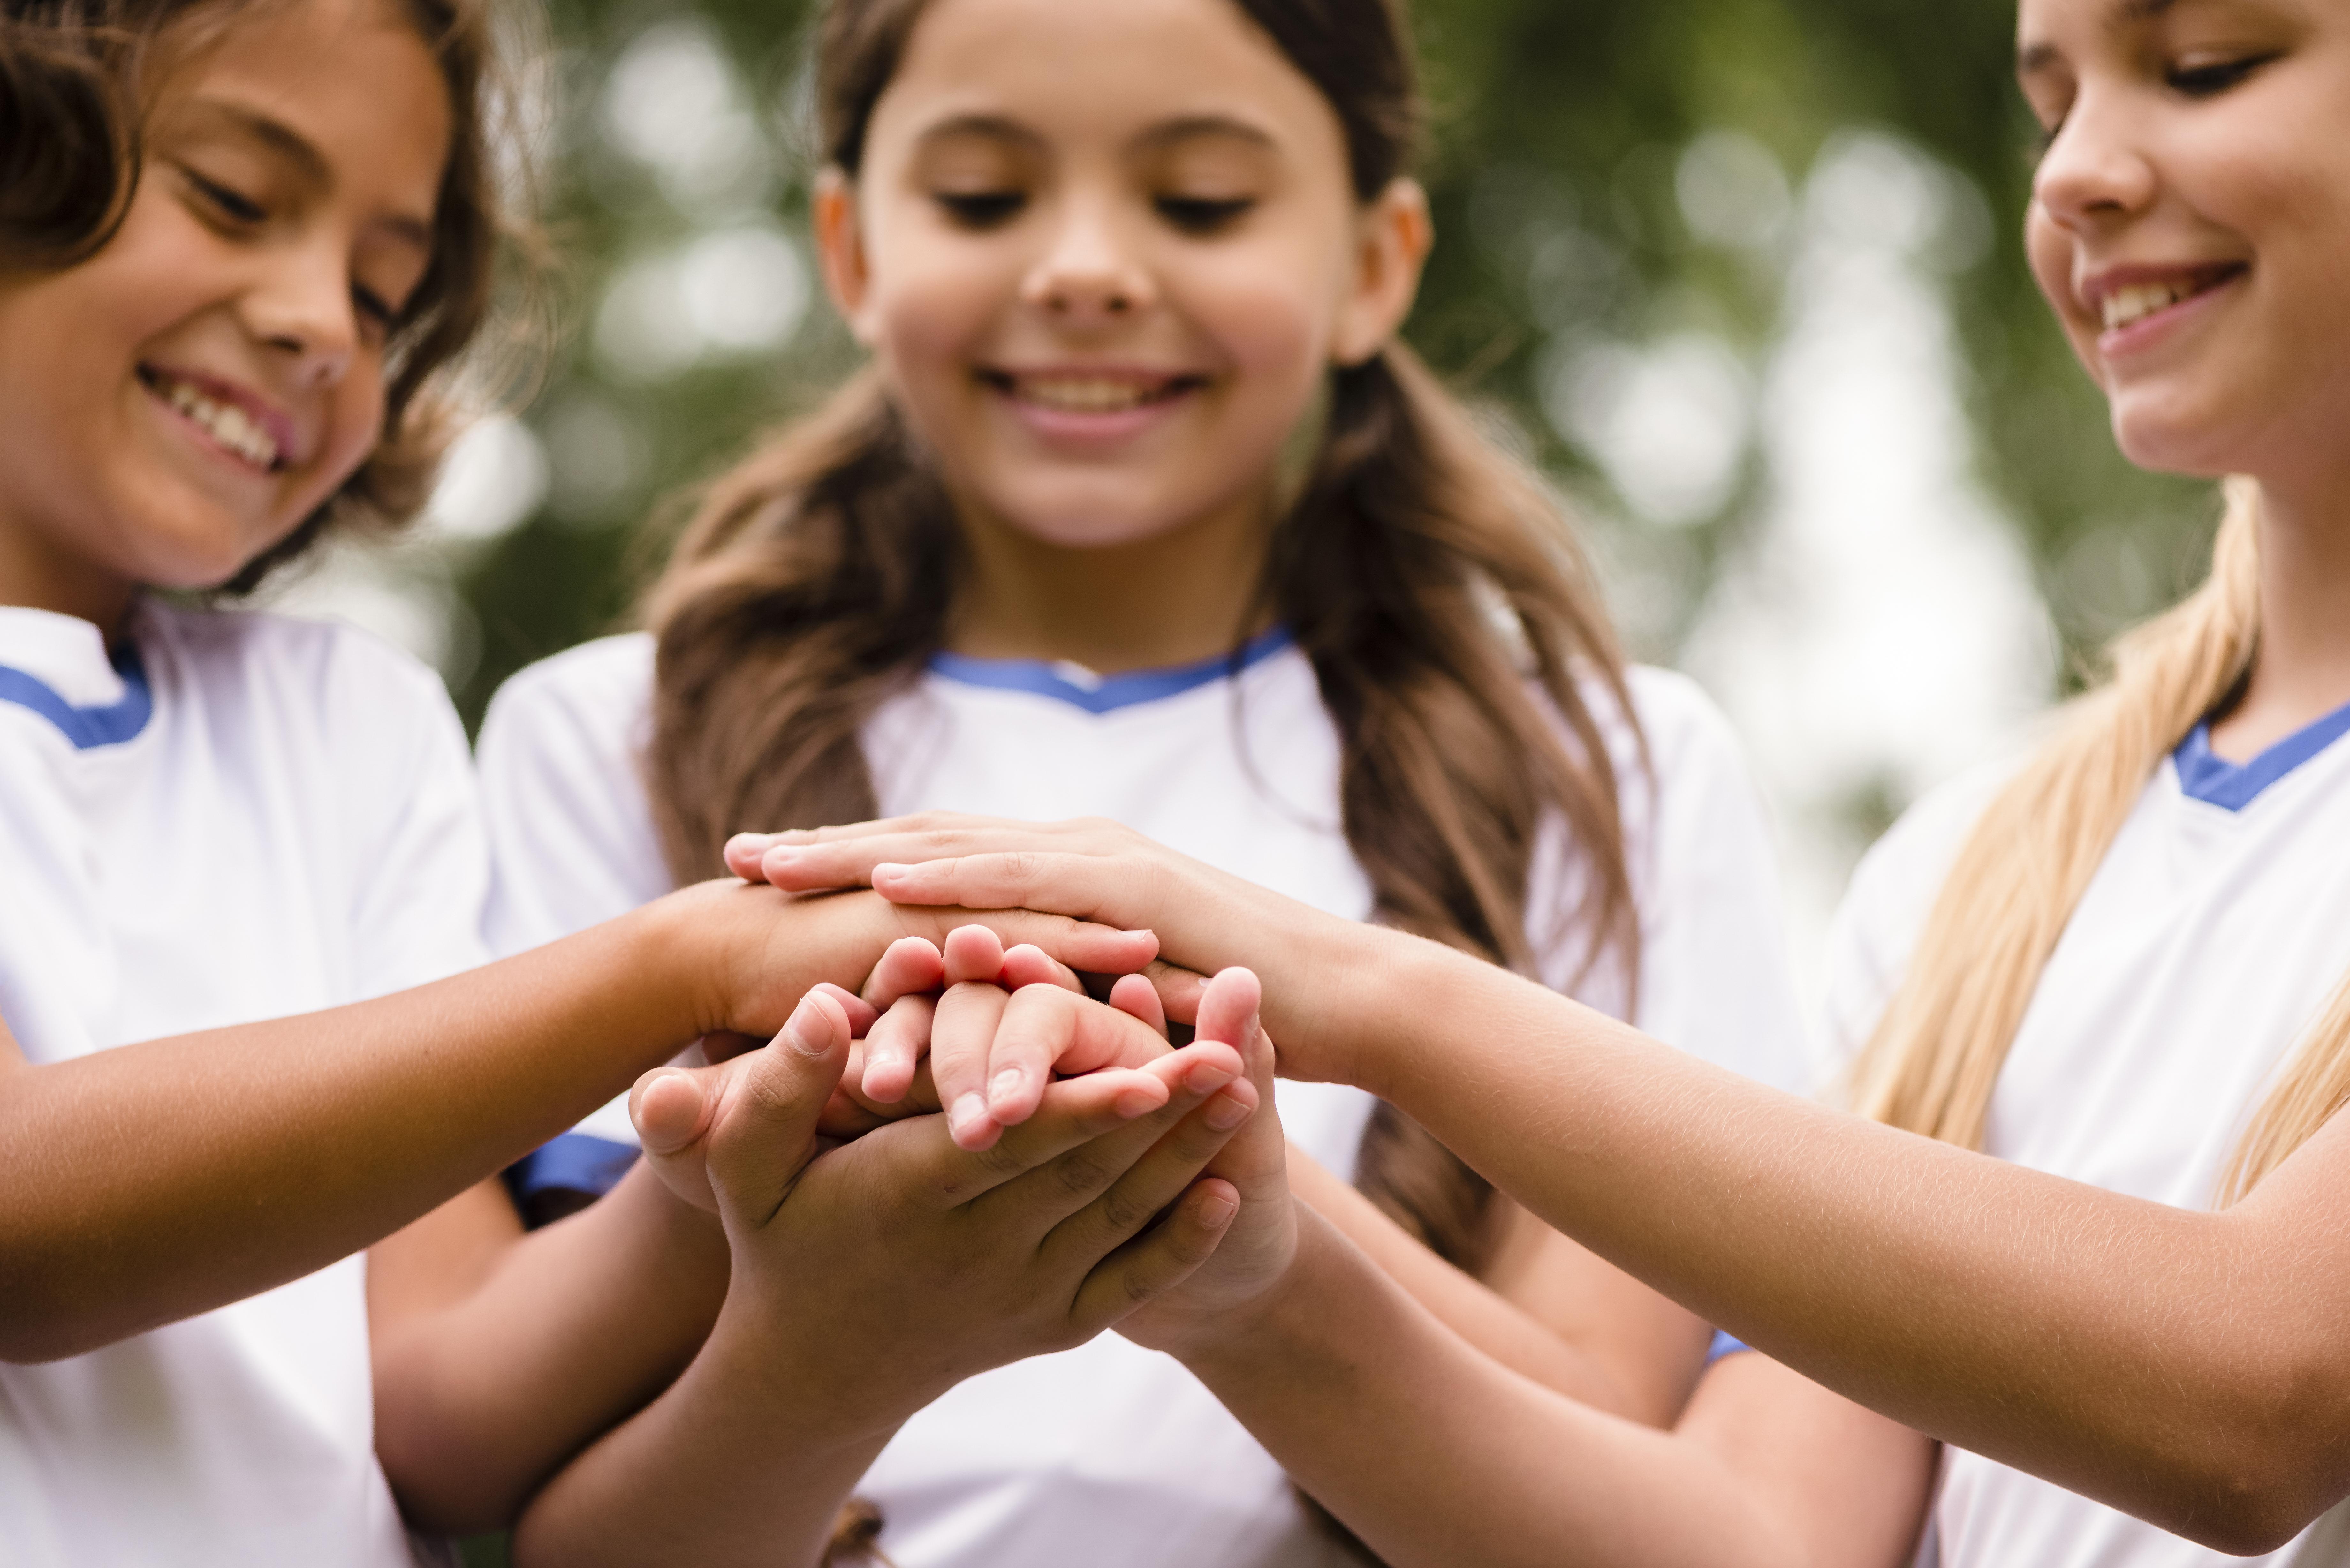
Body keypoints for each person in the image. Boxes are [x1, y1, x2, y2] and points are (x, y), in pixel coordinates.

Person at [743, 0, 2350, 1557]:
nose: (2071, 172)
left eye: (2204, 66)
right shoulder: (1973, 879)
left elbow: (2255, 1401)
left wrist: (1366, 993)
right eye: (2051, 97)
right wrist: (1238, 1256)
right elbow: (1761, 1548)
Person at [477, 0, 1810, 1559]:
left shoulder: (1612, 774)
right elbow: (528, 1494)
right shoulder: (607, 736)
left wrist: (1166, 1139)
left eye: (1200, 202)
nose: (1085, 270)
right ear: (849, 247)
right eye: (981, 196)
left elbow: (1617, 1450)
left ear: (1375, 262)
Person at [0, 1, 1230, 1561]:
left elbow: (440, 1419)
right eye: (236, 198)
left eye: (385, 294)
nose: (320, 317)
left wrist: (771, 1105)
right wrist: (688, 955)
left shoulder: (346, 728)